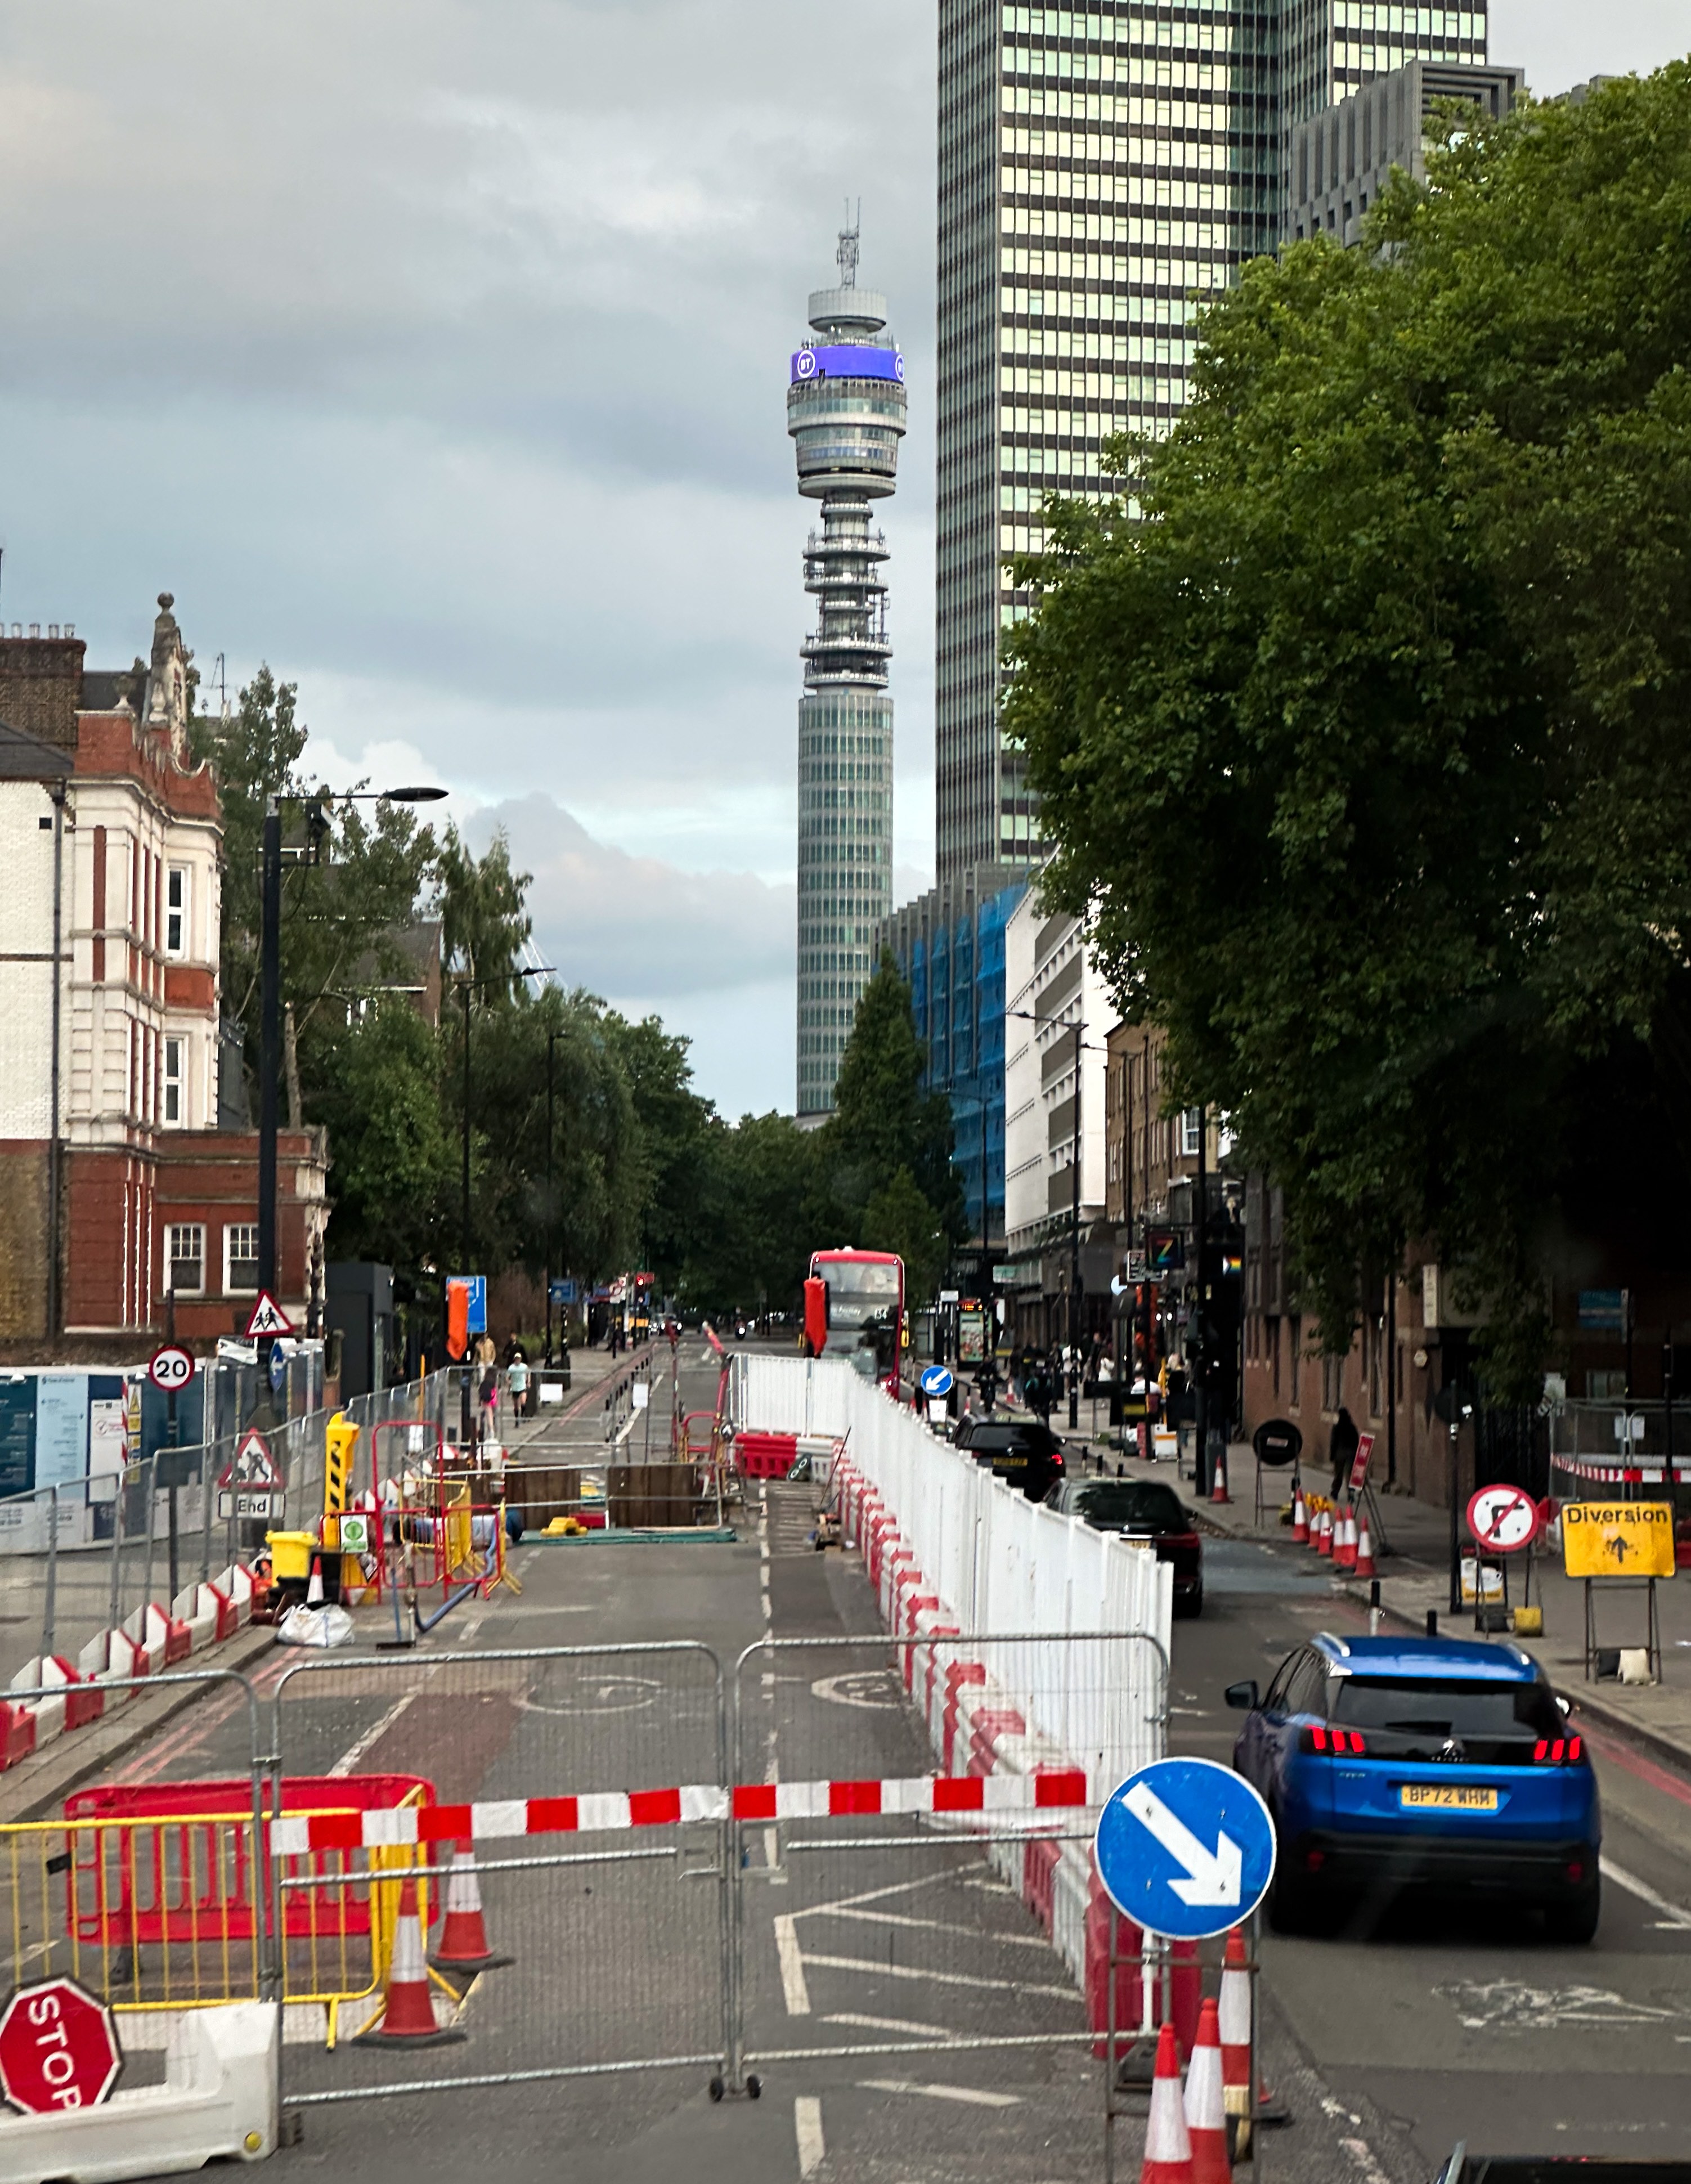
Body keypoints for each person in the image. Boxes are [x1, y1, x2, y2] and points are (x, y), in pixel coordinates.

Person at [1329, 1404, 1361, 1500]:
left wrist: (1332, 1455)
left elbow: (1333, 1442)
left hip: (1339, 1454)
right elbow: (1356, 1441)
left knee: (1338, 1474)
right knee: (1349, 1474)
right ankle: (1350, 1492)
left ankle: (1335, 1491)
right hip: (1351, 1454)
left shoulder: (1337, 1427)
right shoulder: (1352, 1427)